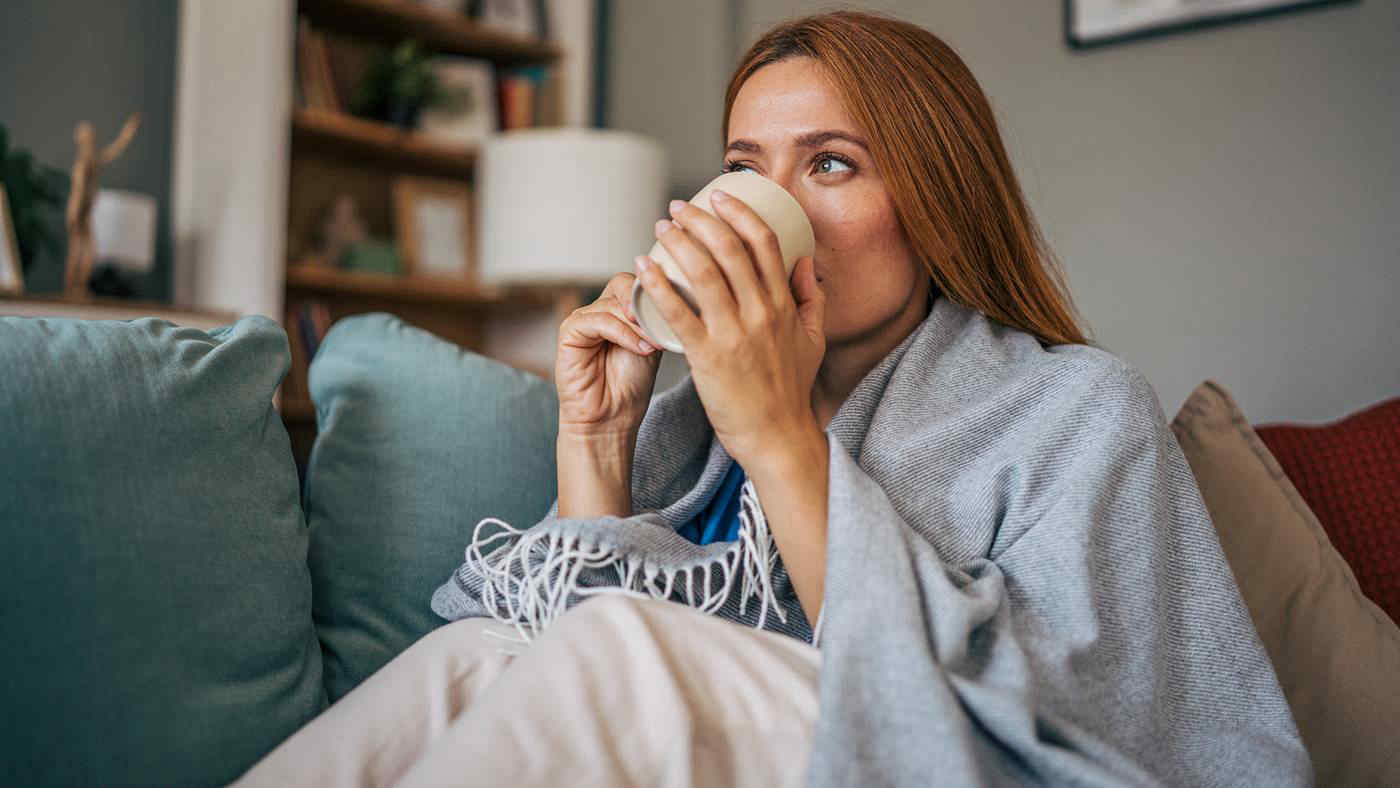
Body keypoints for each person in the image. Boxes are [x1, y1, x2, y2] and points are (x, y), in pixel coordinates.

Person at [234, 9, 1309, 788]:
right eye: (744, 166)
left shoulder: (1076, 410)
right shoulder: (688, 419)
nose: (763, 208)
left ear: (935, 204)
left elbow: (1083, 726)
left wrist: (777, 433)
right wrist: (596, 446)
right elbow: (532, 645)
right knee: (469, 655)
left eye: (830, 164)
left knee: (625, 643)